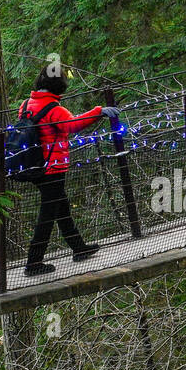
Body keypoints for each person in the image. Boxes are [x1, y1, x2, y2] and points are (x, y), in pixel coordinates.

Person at [20, 65, 119, 276]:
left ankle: (78, 247)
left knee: (61, 207)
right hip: (53, 167)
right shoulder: (55, 109)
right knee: (47, 214)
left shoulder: (27, 104)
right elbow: (71, 125)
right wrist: (98, 112)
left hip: (34, 165)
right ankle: (33, 262)